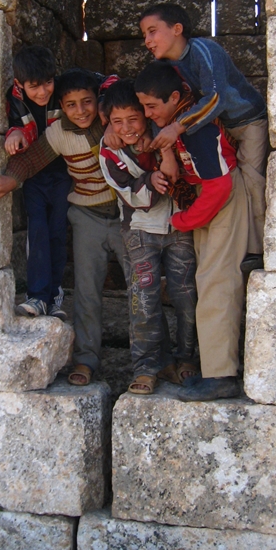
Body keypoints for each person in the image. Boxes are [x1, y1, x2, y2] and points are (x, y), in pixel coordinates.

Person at [0, 68, 123, 387]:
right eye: (71, 104)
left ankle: (151, 362)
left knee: (143, 288)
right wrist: (12, 178)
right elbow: (32, 160)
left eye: (87, 102)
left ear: (98, 100)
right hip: (87, 216)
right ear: (61, 106)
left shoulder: (113, 120)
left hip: (129, 216)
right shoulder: (59, 132)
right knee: (87, 293)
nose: (81, 110)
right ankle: (86, 360)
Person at [134, 62, 248, 402]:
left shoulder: (197, 130)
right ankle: (214, 368)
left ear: (173, 98)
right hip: (206, 200)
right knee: (208, 280)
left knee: (217, 282)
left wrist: (184, 220)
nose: (147, 113)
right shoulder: (174, 126)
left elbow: (219, 185)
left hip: (220, 200)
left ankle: (222, 376)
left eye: (152, 107)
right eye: (143, 107)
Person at [139, 2, 268, 271]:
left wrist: (177, 129)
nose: (147, 41)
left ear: (177, 29)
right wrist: (166, 153)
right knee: (238, 184)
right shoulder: (164, 66)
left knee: (253, 181)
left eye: (152, 31)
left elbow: (216, 98)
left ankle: (259, 250)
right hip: (217, 128)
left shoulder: (203, 50)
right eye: (144, 35)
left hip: (247, 121)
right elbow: (157, 110)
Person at [99, 79, 198, 396]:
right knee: (144, 301)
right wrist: (151, 178)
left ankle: (185, 359)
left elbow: (177, 174)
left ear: (146, 114)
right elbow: (136, 197)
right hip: (140, 230)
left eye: (133, 119)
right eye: (118, 122)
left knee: (186, 296)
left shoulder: (163, 132)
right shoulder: (110, 152)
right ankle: (146, 367)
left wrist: (164, 153)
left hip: (180, 226)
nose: (126, 128)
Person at [3, 45, 71, 319]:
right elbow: (14, 124)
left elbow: (101, 85)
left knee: (57, 232)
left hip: (63, 174)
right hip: (33, 176)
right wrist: (14, 133)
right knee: (38, 233)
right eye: (34, 87)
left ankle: (54, 296)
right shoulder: (14, 99)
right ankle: (37, 296)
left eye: (48, 83)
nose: (43, 92)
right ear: (19, 85)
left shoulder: (65, 89)